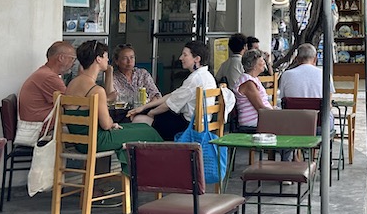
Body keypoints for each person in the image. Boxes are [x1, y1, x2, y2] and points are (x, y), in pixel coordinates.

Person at [63, 40, 162, 171]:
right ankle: (149, 176)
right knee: (149, 132)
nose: (107, 59)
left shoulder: (72, 84)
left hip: (80, 141)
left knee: (139, 128)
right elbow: (106, 124)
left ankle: (129, 176)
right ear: (98, 59)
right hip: (97, 140)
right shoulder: (96, 90)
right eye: (105, 56)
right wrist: (111, 123)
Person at [128, 41, 232, 141]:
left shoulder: (195, 79)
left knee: (139, 119)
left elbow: (169, 104)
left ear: (197, 58)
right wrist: (145, 107)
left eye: (185, 55)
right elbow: (173, 95)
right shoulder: (207, 76)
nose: (181, 58)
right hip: (199, 124)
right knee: (147, 113)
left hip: (187, 127)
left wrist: (151, 112)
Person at [280, 42, 335, 129]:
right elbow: (328, 104)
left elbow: (283, 99)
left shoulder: (286, 75)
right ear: (315, 59)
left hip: (293, 122)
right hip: (319, 123)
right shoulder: (325, 74)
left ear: (297, 59)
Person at [18, 41, 75, 123]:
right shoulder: (49, 77)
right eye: (72, 58)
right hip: (42, 130)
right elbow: (70, 104)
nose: (73, 63)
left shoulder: (44, 73)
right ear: (61, 58)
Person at [235, 49, 272, 132]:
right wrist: (278, 114)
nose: (264, 63)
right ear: (254, 66)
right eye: (262, 61)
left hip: (259, 120)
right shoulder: (248, 83)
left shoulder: (253, 79)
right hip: (253, 122)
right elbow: (260, 108)